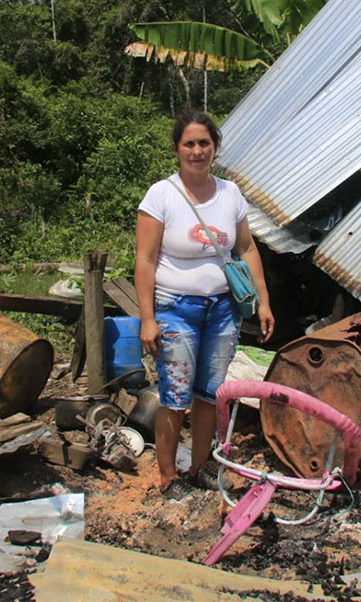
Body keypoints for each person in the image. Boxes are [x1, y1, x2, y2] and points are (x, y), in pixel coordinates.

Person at [135, 110, 274, 497]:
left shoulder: (230, 194)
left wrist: (262, 302)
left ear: (214, 147)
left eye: (204, 143)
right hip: (175, 308)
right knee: (175, 397)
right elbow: (144, 261)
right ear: (177, 149)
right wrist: (148, 319)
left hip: (222, 311)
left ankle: (198, 467)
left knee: (209, 395)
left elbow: (246, 248)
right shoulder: (161, 195)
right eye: (189, 143)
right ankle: (167, 476)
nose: (197, 151)